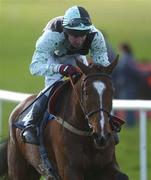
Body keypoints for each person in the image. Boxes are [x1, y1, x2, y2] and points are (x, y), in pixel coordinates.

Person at [22, 5, 110, 145]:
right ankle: (30, 124)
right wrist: (60, 68)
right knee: (51, 87)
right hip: (54, 58)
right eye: (74, 35)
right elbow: (35, 67)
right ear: (66, 30)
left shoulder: (95, 36)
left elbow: (103, 68)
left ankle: (107, 122)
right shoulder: (51, 35)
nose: (79, 40)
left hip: (77, 57)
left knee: (96, 88)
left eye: (82, 35)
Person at [113, 43, 142, 127]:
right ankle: (129, 123)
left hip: (128, 85)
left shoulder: (127, 59)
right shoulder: (129, 58)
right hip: (126, 85)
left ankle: (130, 123)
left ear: (124, 49)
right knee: (127, 104)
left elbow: (133, 71)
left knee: (129, 104)